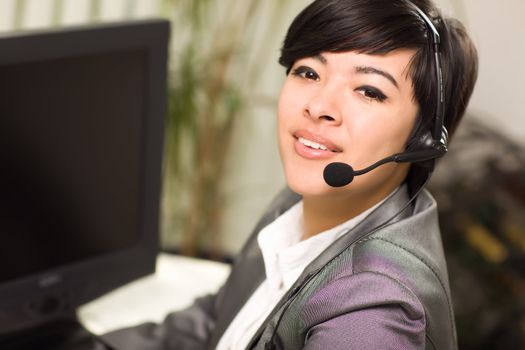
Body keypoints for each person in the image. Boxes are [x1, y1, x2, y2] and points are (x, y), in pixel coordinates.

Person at [100, 0, 478, 349]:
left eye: (368, 91)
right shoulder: (304, 204)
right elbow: (215, 321)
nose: (318, 106)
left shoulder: (373, 319)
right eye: (309, 72)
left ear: (424, 138)